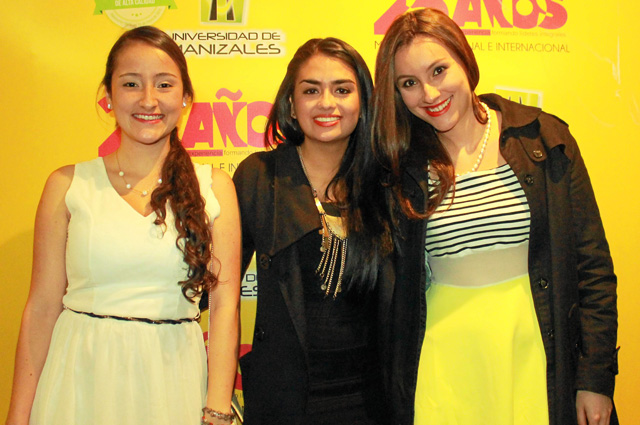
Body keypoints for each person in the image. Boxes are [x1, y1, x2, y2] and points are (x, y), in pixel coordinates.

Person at [371, 8, 618, 425]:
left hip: (537, 356)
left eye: (438, 70)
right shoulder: (400, 169)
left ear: (465, 60)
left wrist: (595, 378)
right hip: (444, 368)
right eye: (409, 83)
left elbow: (592, 268)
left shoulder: (543, 138)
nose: (429, 94)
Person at [6, 26, 241, 425]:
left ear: (185, 97)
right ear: (109, 96)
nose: (148, 99)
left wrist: (217, 409)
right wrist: (18, 416)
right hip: (78, 381)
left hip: (172, 383)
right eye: (131, 83)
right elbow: (42, 309)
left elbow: (224, 308)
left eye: (164, 84)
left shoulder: (214, 187)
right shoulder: (67, 185)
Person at [232, 37, 393, 424]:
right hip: (283, 400)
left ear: (364, 101)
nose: (326, 103)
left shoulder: (387, 183)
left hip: (373, 401)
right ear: (291, 103)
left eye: (342, 90)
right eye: (310, 90)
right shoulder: (260, 177)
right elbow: (218, 288)